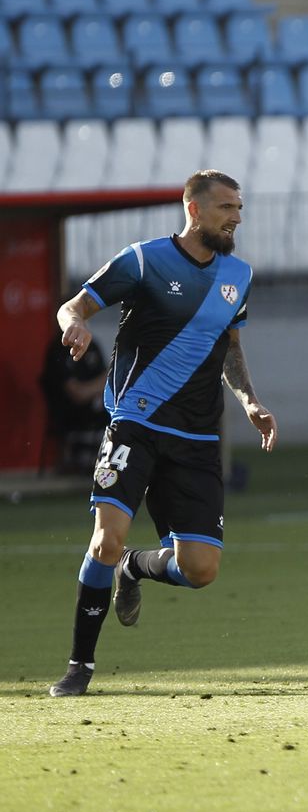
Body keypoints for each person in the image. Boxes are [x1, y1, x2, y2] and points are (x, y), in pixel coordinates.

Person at [48, 170, 277, 698]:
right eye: (226, 207)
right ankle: (79, 666)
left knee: (201, 569)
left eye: (239, 207)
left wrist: (249, 400)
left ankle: (137, 568)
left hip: (196, 438)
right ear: (193, 209)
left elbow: (231, 348)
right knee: (106, 539)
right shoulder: (145, 260)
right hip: (135, 423)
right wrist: (73, 326)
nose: (236, 217)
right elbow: (74, 306)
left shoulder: (238, 275)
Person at [38, 322, 110, 474]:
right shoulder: (58, 349)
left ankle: (113, 468)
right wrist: (96, 387)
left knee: (122, 416)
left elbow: (109, 380)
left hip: (97, 406)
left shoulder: (92, 345)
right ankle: (80, 463)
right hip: (67, 411)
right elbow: (78, 394)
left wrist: (93, 388)